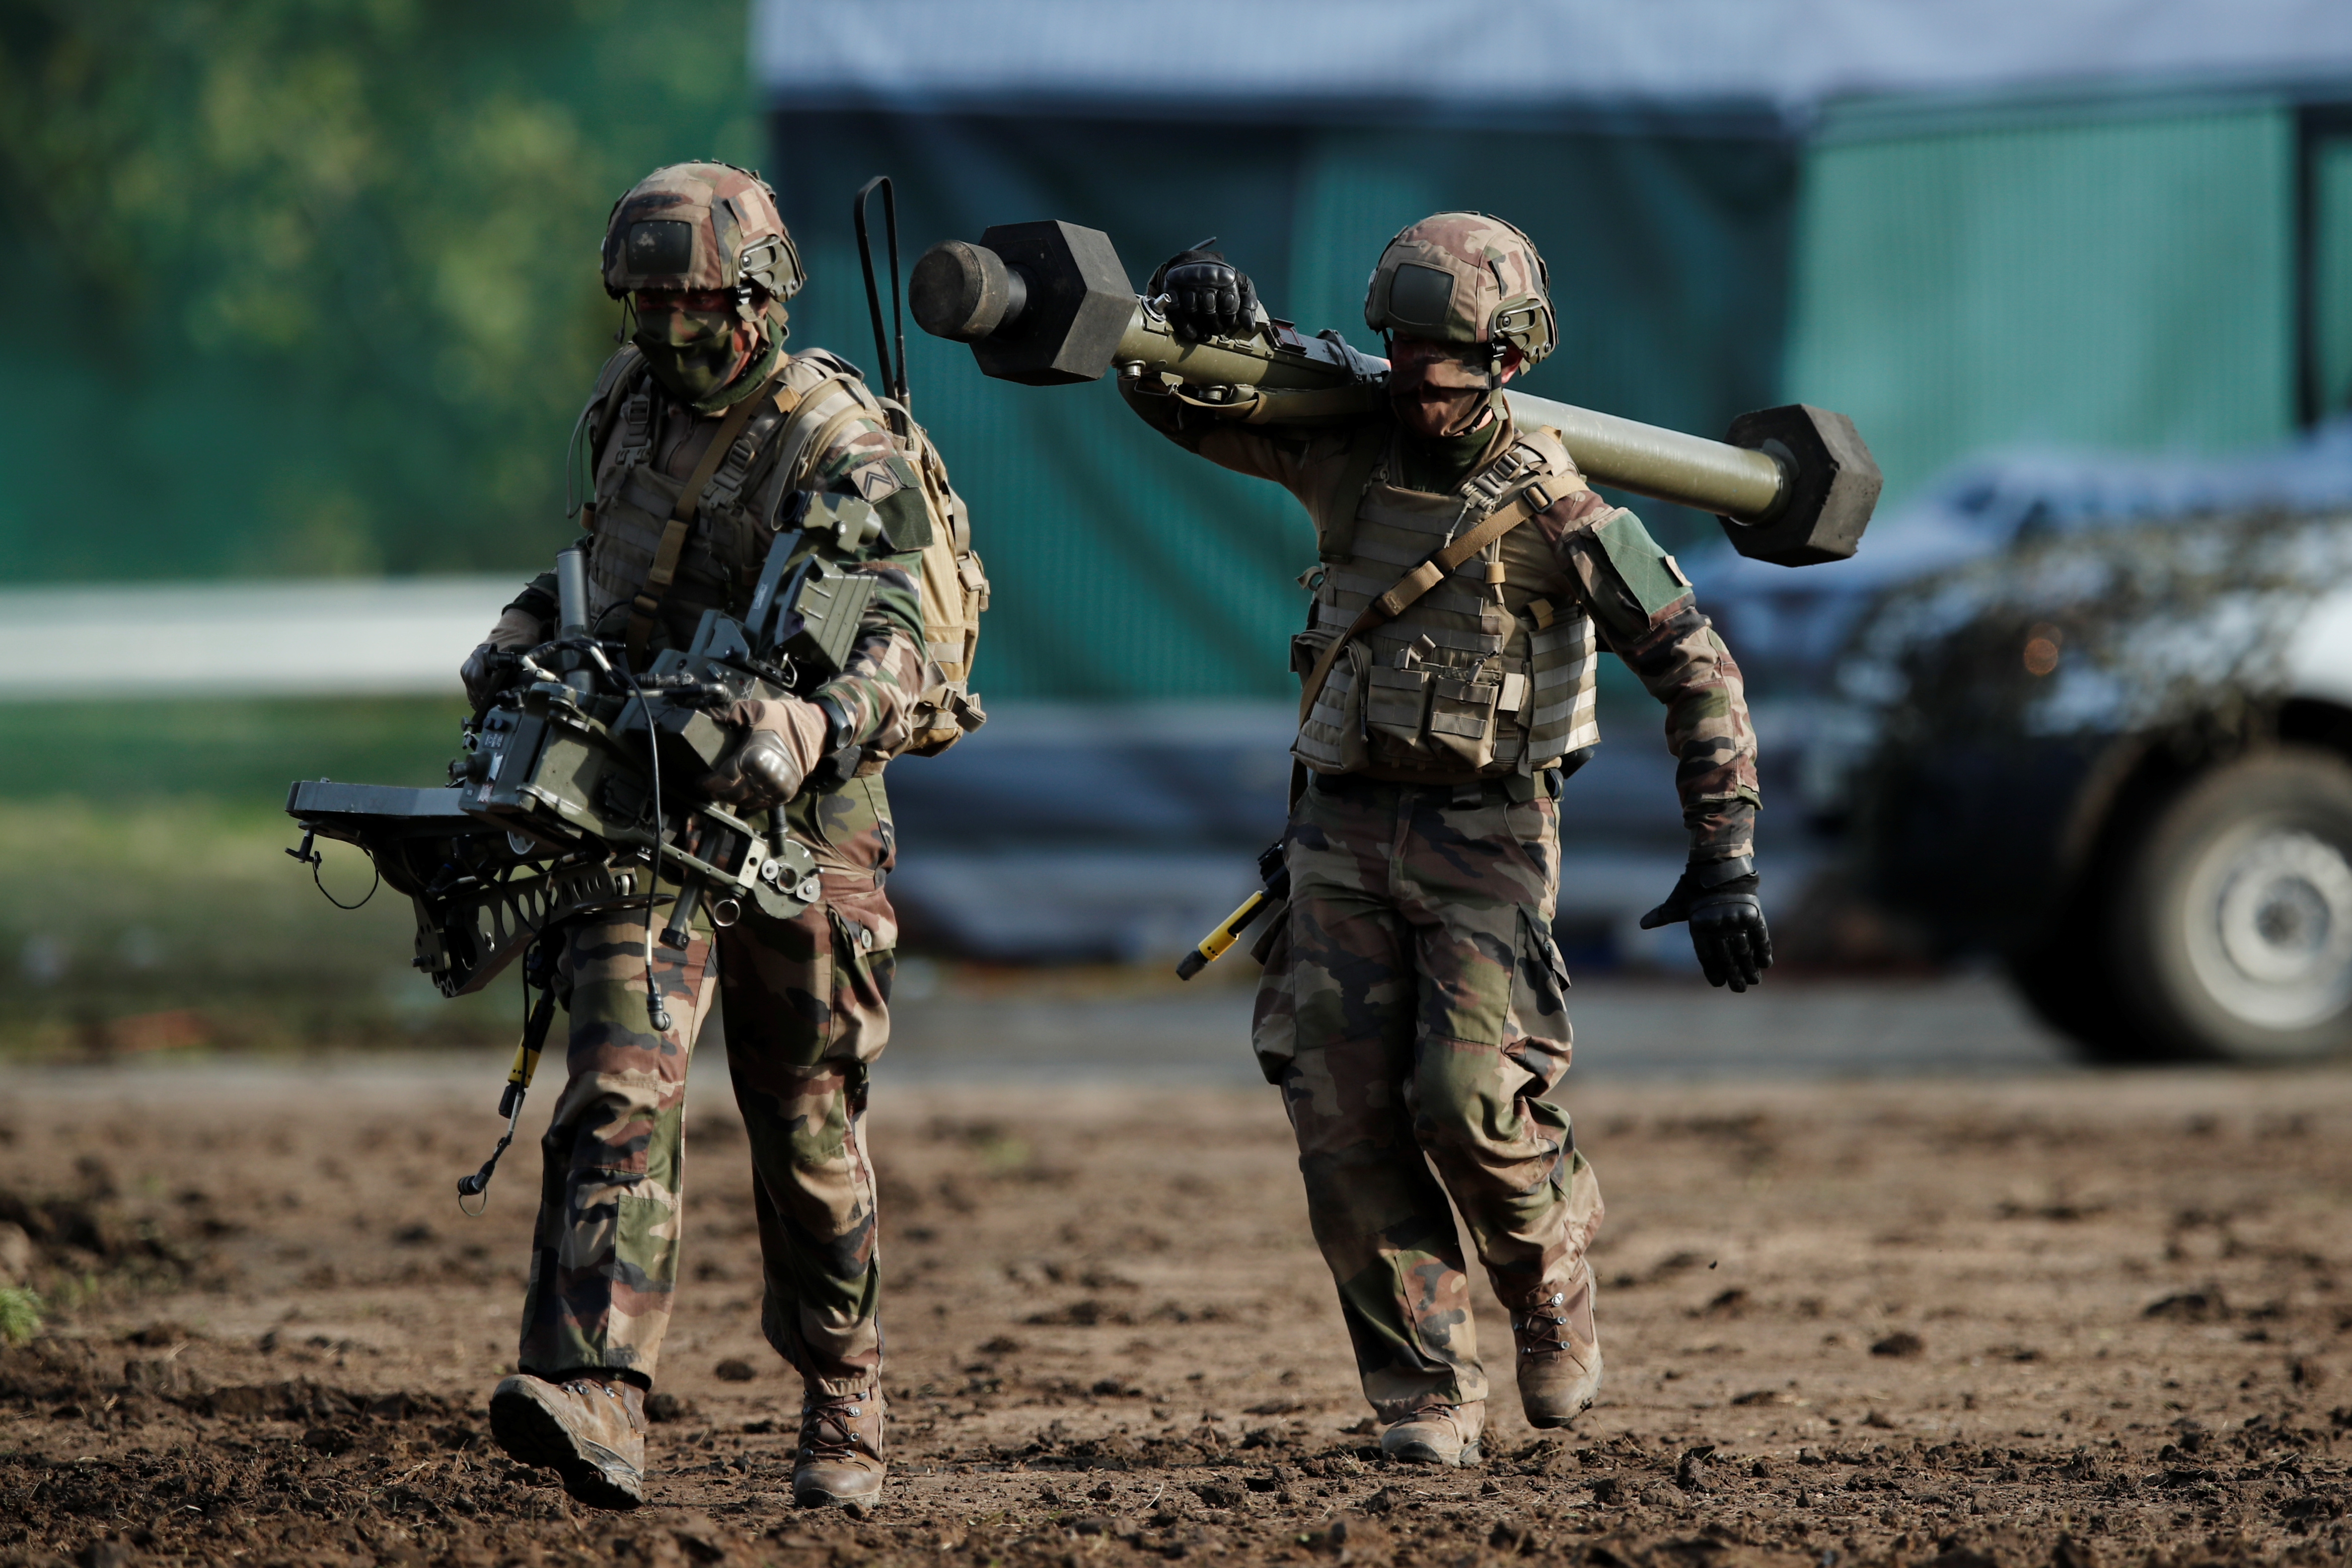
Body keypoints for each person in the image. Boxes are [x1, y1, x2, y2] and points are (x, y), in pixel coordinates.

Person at [1123, 214, 1769, 1466]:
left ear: (1511, 356)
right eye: (1402, 353)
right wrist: (1179, 314)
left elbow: (1697, 670)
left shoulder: (1559, 505)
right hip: (1338, 830)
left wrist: (1724, 851)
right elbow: (1181, 410)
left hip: (1488, 838)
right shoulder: (1343, 454)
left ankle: (1549, 1280)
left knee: (1469, 1099)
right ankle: (1422, 1391)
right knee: (1341, 1119)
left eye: (1447, 359)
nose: (1417, 384)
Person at [457, 162, 951, 1511]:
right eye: (646, 304)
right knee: (619, 1083)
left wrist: (815, 720)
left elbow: (908, 642)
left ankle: (844, 1390)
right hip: (645, 798)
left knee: (805, 1124)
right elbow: (600, 575)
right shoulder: (626, 407)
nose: (671, 331)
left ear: (763, 299)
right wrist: (514, 642)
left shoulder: (836, 442)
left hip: (805, 820)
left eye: (697, 306)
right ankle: (598, 1390)